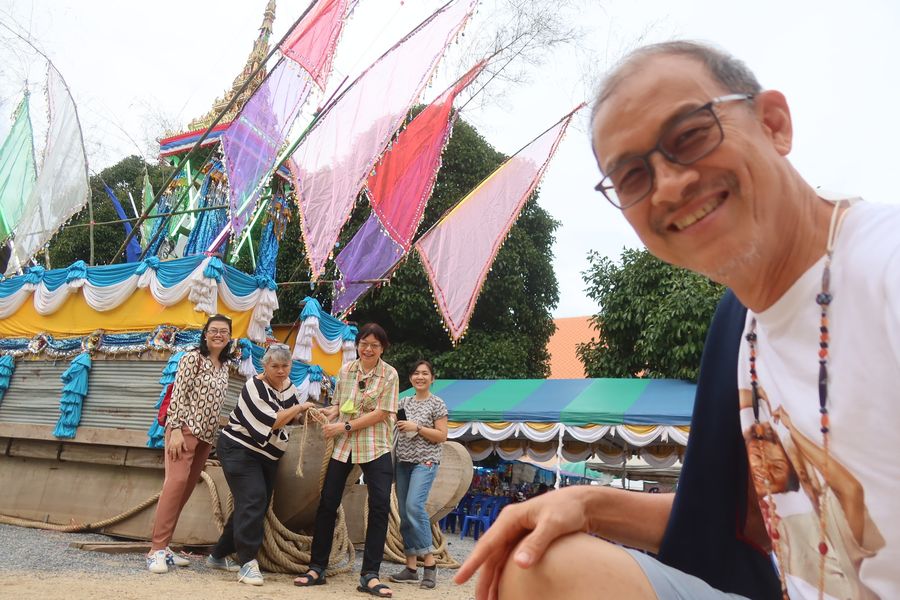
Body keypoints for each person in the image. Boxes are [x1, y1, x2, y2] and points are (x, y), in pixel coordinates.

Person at [454, 41, 900, 599]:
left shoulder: (882, 268)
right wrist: (586, 501)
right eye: (632, 176)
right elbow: (733, 523)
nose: (668, 185)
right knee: (539, 563)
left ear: (773, 124)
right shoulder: (742, 330)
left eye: (690, 136)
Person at [293, 323, 399, 598]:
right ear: (358, 345)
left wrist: (344, 426)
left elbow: (381, 413)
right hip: (344, 447)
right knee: (327, 503)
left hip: (375, 445)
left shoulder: (390, 374)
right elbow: (341, 405)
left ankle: (370, 575)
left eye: (374, 345)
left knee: (379, 506)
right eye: (364, 343)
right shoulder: (346, 370)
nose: (368, 349)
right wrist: (326, 413)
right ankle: (317, 568)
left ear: (382, 348)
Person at [205, 344, 317, 586]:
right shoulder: (253, 387)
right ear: (264, 366)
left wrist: (310, 415)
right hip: (240, 449)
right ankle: (248, 562)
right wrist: (299, 407)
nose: (280, 371)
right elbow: (274, 421)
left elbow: (294, 416)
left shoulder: (289, 386)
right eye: (275, 366)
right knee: (253, 499)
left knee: (254, 503)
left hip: (267, 455)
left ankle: (218, 555)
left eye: (285, 366)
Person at [147, 314, 234, 574]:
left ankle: (165, 547)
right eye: (214, 330)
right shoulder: (192, 358)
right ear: (205, 334)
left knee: (183, 492)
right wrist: (174, 429)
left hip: (206, 436)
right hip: (184, 430)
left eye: (224, 331)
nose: (218, 335)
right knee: (174, 486)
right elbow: (178, 394)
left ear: (230, 337)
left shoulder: (225, 366)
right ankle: (155, 550)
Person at [389, 359, 448, 590]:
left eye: (425, 373)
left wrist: (418, 428)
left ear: (432, 378)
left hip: (426, 462)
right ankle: (411, 568)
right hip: (403, 462)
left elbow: (442, 436)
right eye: (415, 373)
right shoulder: (403, 402)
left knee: (414, 506)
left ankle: (430, 564)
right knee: (405, 514)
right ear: (410, 378)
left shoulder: (437, 403)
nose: (420, 377)